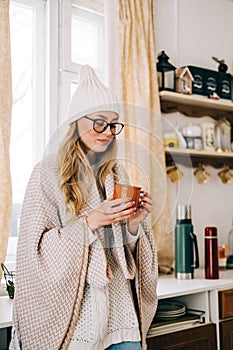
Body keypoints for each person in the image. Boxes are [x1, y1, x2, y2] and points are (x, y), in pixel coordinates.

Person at [10, 65, 158, 350]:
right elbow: (35, 251)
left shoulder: (117, 173)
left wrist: (135, 223)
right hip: (77, 319)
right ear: (76, 121)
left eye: (114, 124)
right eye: (99, 122)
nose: (108, 132)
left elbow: (127, 253)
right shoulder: (46, 174)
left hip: (121, 315)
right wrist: (91, 221)